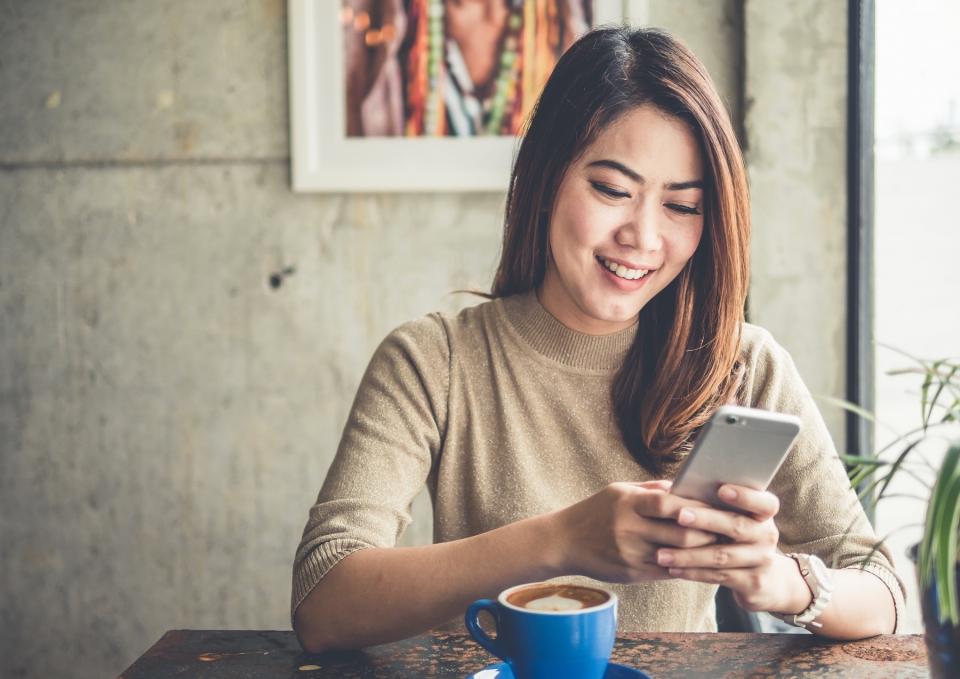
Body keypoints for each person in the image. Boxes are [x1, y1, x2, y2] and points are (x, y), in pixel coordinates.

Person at [292, 26, 905, 652]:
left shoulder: (744, 364)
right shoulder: (434, 361)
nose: (642, 236)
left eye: (682, 206)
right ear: (547, 176)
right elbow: (324, 601)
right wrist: (563, 539)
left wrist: (779, 581)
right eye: (612, 190)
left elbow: (882, 592)